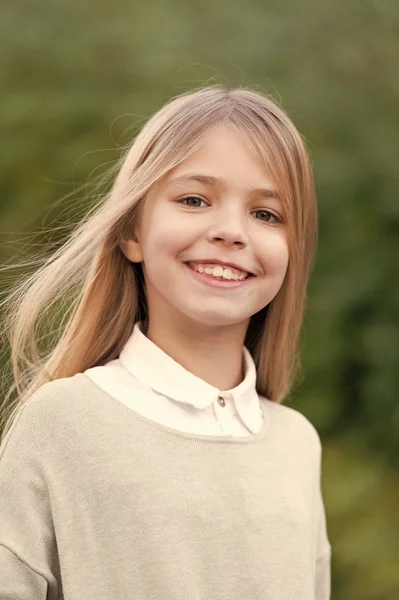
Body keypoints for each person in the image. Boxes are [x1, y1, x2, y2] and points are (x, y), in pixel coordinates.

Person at [0, 85, 331, 599]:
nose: (231, 231)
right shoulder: (62, 421)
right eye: (194, 200)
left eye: (266, 214)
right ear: (132, 232)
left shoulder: (297, 443)